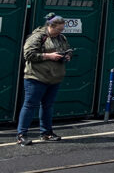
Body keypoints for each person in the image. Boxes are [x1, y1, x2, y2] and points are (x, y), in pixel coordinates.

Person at [16, 14, 72, 145]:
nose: (60, 32)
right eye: (58, 29)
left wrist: (68, 55)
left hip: (54, 78)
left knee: (48, 106)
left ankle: (46, 133)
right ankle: (21, 134)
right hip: (36, 77)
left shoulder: (61, 38)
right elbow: (28, 54)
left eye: (62, 29)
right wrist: (49, 56)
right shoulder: (38, 36)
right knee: (30, 105)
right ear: (50, 26)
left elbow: (67, 49)